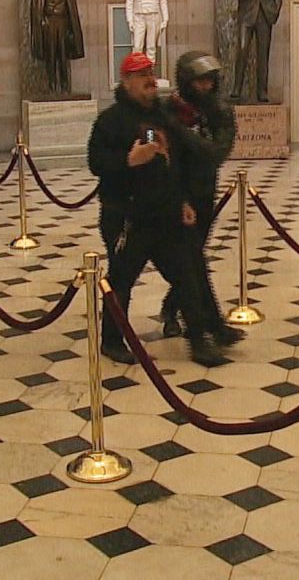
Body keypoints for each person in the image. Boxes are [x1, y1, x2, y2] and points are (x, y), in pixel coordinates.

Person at [87, 51, 226, 368]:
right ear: (126, 81)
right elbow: (96, 163)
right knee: (121, 281)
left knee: (186, 277)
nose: (150, 80)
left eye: (151, 73)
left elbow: (175, 165)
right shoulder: (110, 121)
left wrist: (183, 201)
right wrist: (128, 161)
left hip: (166, 215)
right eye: (141, 75)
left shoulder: (164, 117)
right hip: (127, 217)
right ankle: (111, 340)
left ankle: (199, 342)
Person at [158, 51, 243, 347]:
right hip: (176, 195)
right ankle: (210, 326)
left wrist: (180, 133)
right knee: (192, 260)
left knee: (192, 258)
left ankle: (172, 308)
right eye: (199, 82)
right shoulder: (167, 109)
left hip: (205, 192)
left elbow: (216, 152)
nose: (206, 87)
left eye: (210, 81)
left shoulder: (219, 112)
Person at [227, 0, 283, 103]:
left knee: (263, 54)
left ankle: (262, 91)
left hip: (265, 15)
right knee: (242, 50)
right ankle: (236, 88)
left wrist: (276, 9)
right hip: (246, 15)